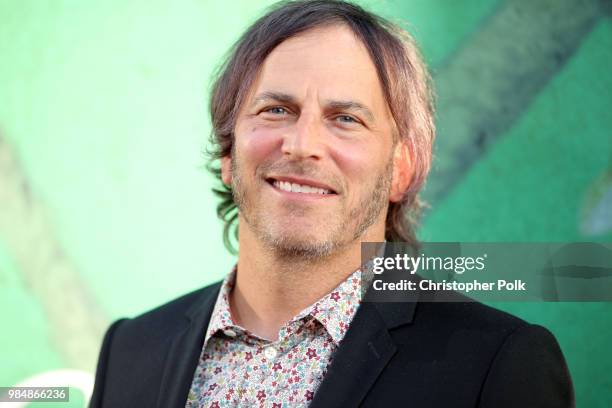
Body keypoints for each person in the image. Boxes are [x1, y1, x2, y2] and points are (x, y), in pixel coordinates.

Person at [89, 1, 575, 407]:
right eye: (276, 110)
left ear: (402, 169)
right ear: (228, 153)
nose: (301, 145)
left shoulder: (499, 364)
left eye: (345, 118)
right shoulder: (131, 350)